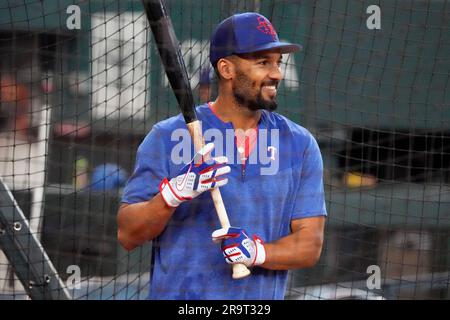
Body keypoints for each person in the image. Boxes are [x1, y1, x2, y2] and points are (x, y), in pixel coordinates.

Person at [117, 12, 327, 300]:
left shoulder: (299, 144)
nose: (276, 73)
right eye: (263, 62)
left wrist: (258, 251)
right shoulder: (167, 136)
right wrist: (172, 195)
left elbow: (310, 244)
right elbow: (128, 234)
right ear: (226, 69)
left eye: (278, 62)